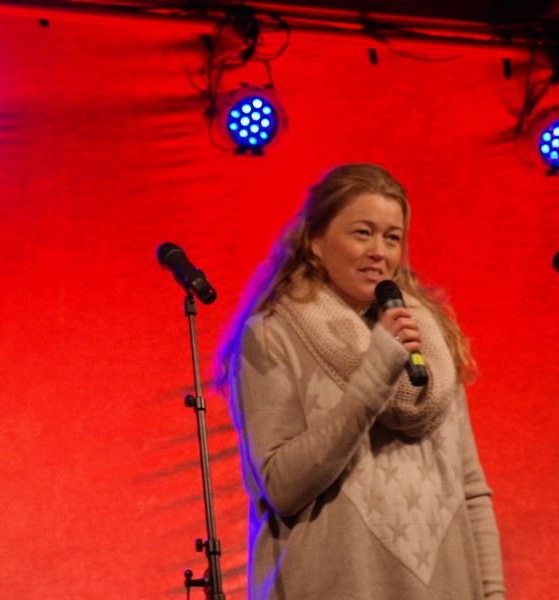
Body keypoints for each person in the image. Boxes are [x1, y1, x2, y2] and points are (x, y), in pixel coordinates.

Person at [217, 163, 506, 599]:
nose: (379, 251)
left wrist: (493, 593)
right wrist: (375, 373)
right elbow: (282, 486)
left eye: (392, 237)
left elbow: (471, 489)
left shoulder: (427, 341)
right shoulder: (272, 335)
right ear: (315, 242)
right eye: (362, 233)